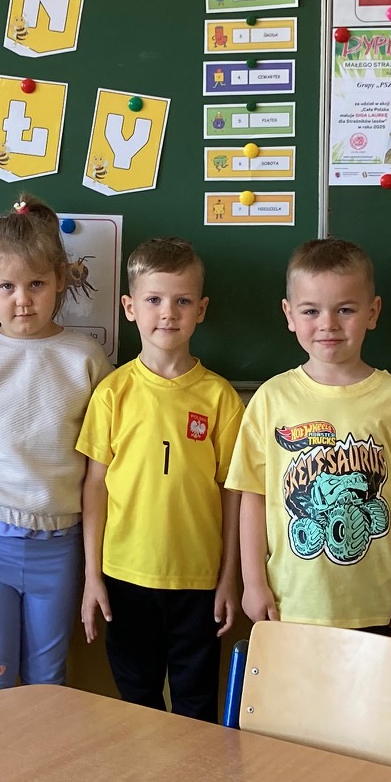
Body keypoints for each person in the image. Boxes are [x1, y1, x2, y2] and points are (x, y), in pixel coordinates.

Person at [227, 239, 391, 636]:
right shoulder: (271, 399)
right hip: (292, 604)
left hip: (380, 603)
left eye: (345, 309)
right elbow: (252, 497)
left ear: (372, 312)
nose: (328, 324)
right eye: (311, 311)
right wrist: (253, 583)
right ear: (289, 314)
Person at [0, 196, 109, 691]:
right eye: (7, 286)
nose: (23, 300)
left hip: (59, 542)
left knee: (47, 676)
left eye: (36, 284)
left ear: (60, 279)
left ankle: (45, 745)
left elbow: (99, 452)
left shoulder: (85, 358)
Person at [78, 238, 243, 720]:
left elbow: (233, 495)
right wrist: (92, 576)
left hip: (198, 580)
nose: (168, 313)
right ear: (130, 307)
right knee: (137, 706)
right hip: (125, 576)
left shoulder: (220, 398)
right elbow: (94, 487)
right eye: (153, 299)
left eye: (182, 301)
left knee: (196, 708)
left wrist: (229, 577)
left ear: (201, 309)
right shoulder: (113, 393)